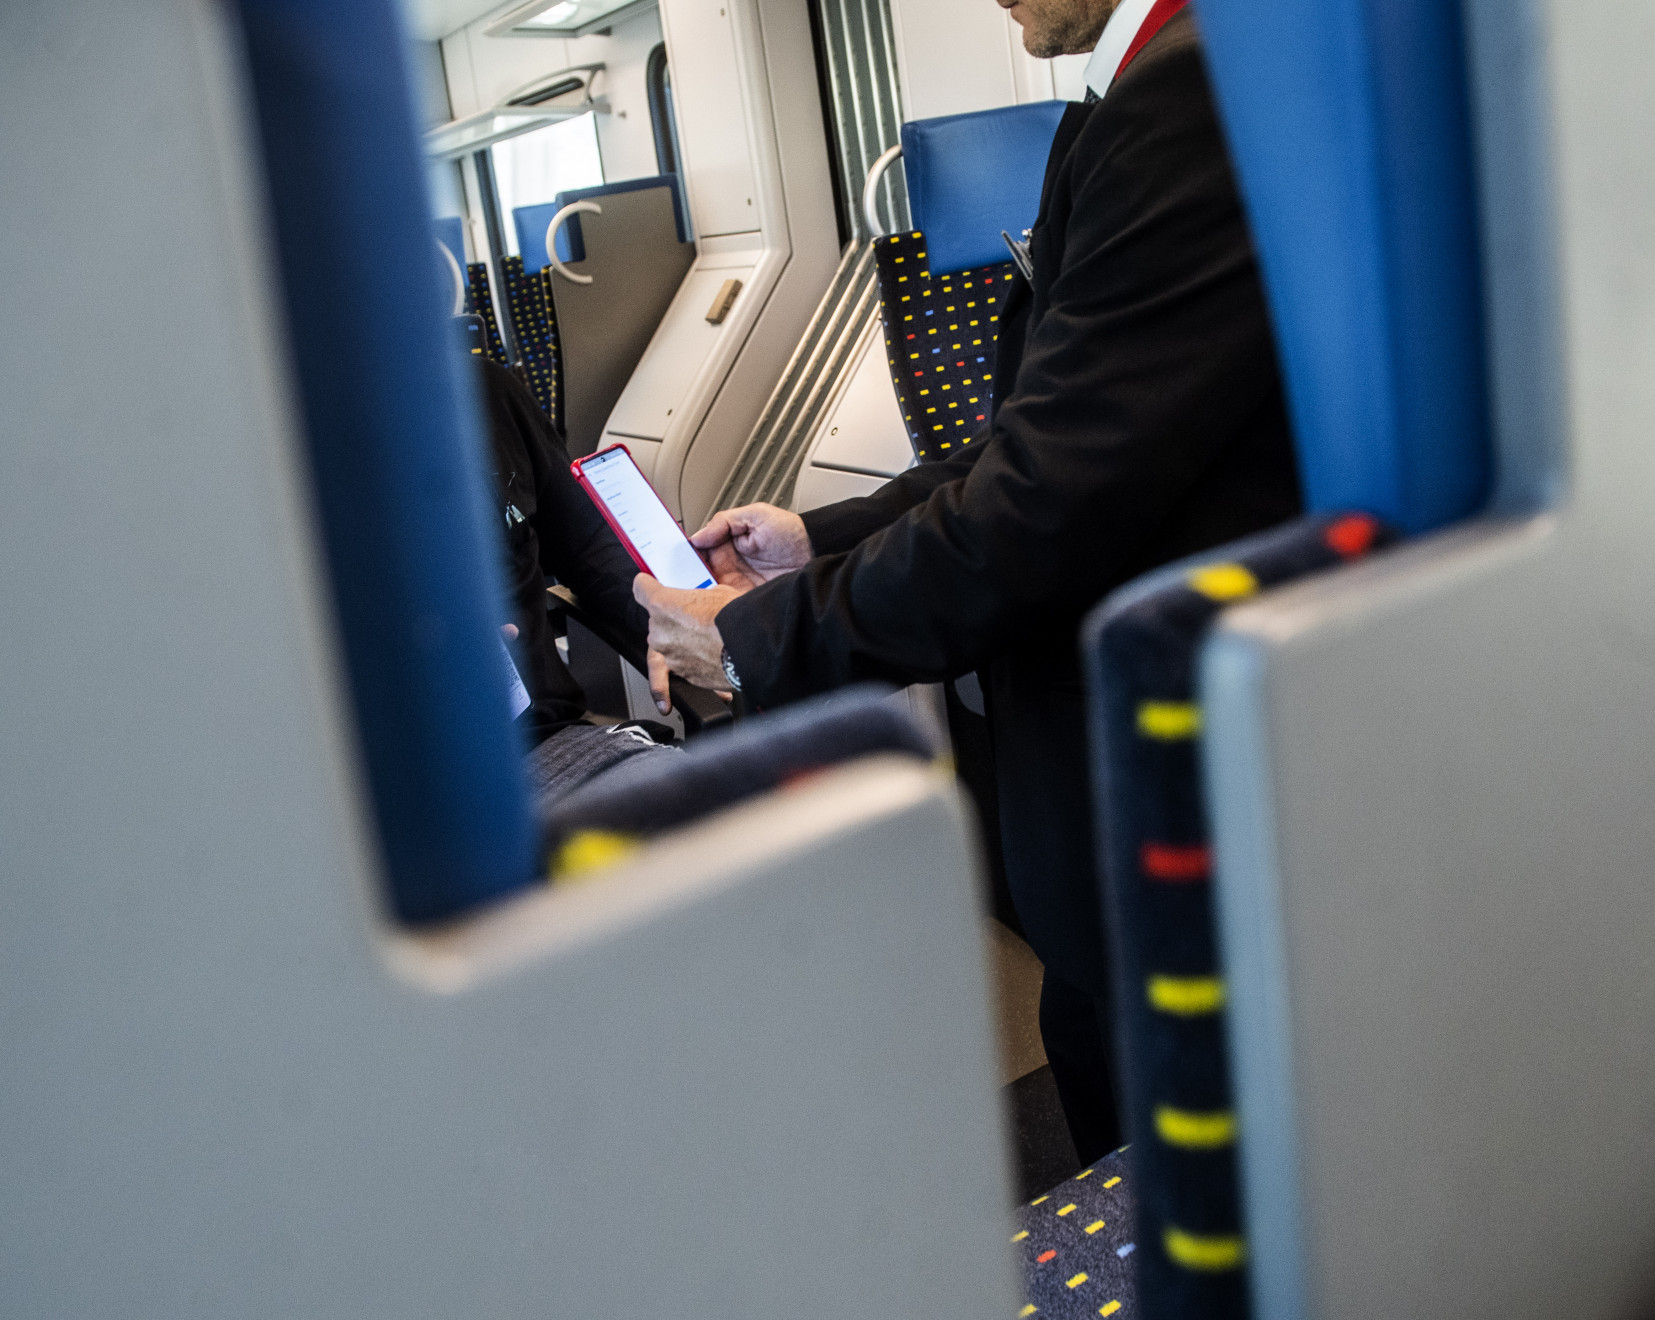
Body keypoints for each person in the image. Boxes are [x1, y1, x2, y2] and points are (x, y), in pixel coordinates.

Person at [634, 0, 1302, 1162]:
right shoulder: (1157, 84)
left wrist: (758, 640)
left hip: (1159, 770)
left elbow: (1045, 504)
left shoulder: (1190, 96)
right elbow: (1035, 433)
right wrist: (817, 539)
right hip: (1118, 780)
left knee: (1179, 1159)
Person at [473, 355, 679, 801]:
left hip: (544, 744)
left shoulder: (481, 389)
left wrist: (672, 624)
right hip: (399, 780)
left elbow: (584, 543)